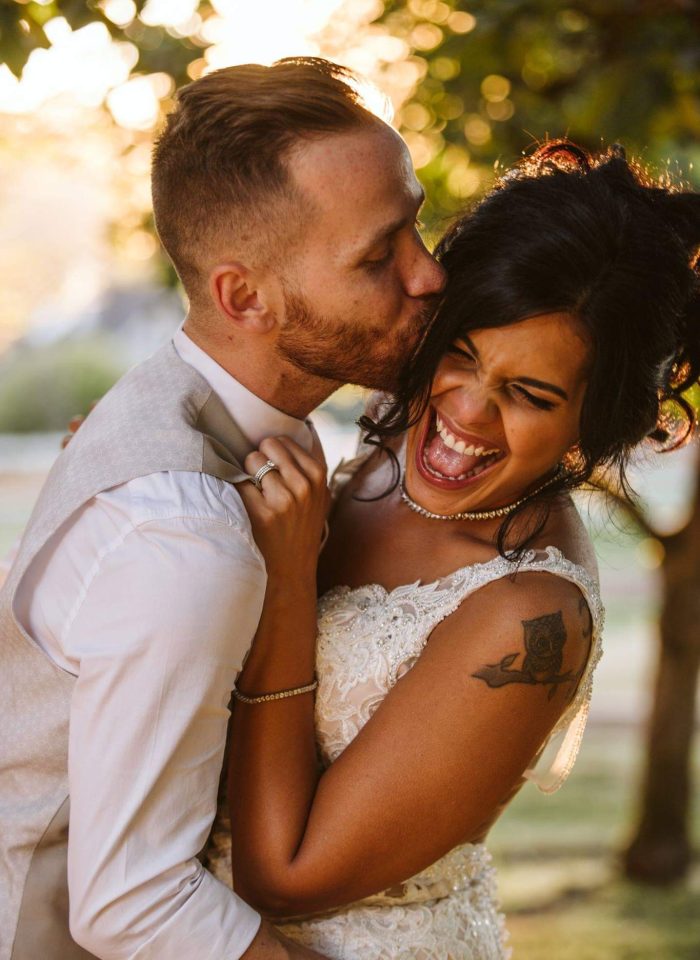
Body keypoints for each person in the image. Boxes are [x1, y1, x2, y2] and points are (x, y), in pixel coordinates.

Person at [0, 58, 444, 960]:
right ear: (244, 297)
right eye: (377, 255)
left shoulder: (241, 425)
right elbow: (134, 902)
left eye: (417, 228)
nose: (429, 275)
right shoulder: (184, 536)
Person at [225, 141, 700, 959]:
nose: (468, 412)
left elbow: (284, 877)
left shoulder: (528, 615)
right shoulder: (380, 454)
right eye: (463, 354)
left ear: (600, 421)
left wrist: (289, 583)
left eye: (529, 394)